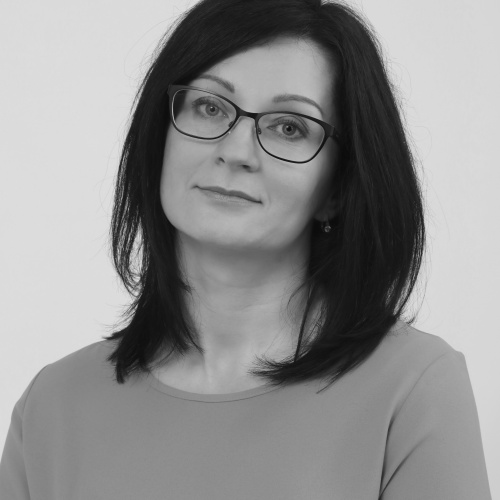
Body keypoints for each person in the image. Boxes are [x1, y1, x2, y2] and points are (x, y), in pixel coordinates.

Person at [0, 0, 492, 498]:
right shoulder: (51, 406)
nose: (235, 151)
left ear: (338, 189)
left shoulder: (414, 388)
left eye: (289, 127)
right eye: (210, 107)